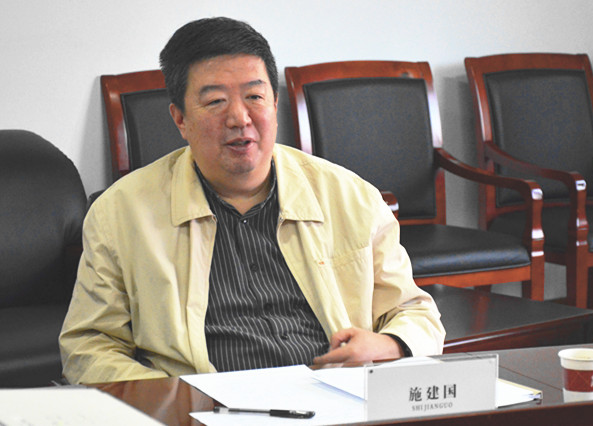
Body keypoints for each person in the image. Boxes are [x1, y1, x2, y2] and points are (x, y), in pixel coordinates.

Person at [59, 17, 445, 384]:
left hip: (336, 396)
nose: (239, 118)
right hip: (203, 407)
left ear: (274, 105)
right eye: (215, 101)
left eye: (254, 96)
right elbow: (89, 347)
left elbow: (415, 312)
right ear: (180, 119)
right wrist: (172, 399)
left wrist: (390, 344)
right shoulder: (120, 213)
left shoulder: (351, 197)